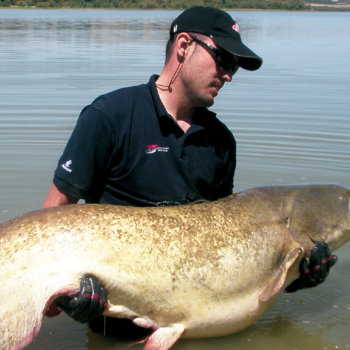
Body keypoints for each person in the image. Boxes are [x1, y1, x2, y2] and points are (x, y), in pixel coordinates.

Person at [43, 6, 337, 337]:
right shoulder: (109, 116)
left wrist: (294, 275)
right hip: (117, 324)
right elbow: (51, 219)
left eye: (235, 67)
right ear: (184, 46)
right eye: (224, 59)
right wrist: (68, 296)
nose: (228, 74)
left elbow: (228, 250)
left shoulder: (221, 142)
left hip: (192, 321)